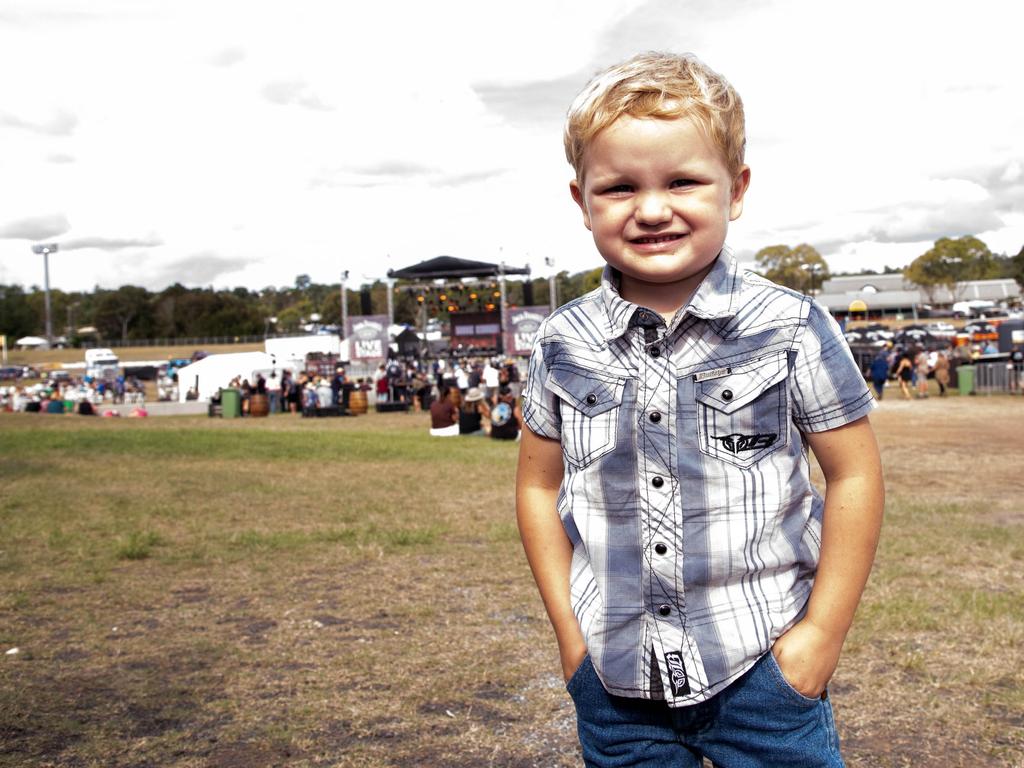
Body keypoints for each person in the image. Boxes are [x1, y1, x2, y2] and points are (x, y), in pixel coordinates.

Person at [516, 52, 884, 767]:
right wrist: (570, 636)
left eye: (682, 180)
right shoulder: (560, 341)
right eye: (619, 187)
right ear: (581, 199)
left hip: (764, 674)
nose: (652, 209)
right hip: (616, 683)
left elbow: (856, 476)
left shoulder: (791, 325)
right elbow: (536, 487)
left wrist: (820, 641)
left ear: (736, 188)